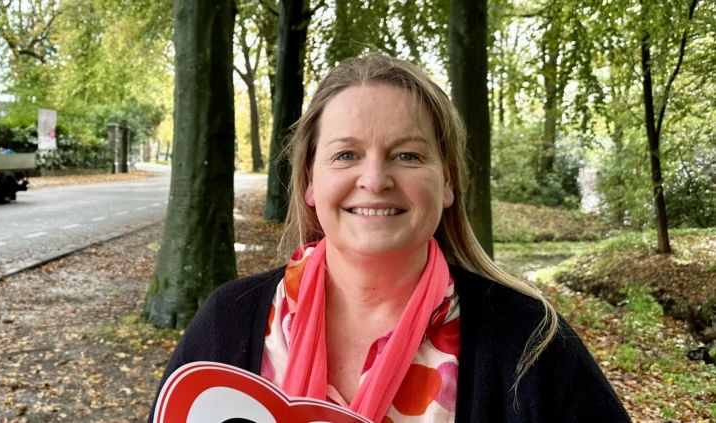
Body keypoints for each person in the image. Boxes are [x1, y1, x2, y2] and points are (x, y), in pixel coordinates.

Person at [153, 54, 628, 421]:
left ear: (447, 182)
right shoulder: (228, 322)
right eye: (346, 155)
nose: (375, 180)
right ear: (310, 182)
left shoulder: (531, 342)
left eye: (407, 155)